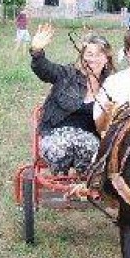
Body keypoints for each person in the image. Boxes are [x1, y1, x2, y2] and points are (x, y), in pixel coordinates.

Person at [29, 23, 115, 175]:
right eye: (89, 54)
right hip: (56, 135)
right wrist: (37, 52)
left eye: (99, 54)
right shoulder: (67, 74)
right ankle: (68, 172)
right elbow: (44, 69)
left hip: (90, 140)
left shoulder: (112, 85)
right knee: (62, 147)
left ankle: (84, 177)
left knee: (95, 153)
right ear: (82, 56)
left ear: (106, 59)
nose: (93, 59)